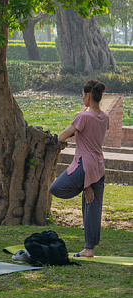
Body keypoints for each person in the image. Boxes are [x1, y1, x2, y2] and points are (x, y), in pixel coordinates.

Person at [50, 80, 109, 258]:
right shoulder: (104, 117)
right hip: (99, 166)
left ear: (88, 96)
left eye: (83, 95)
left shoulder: (83, 117)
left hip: (85, 165)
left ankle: (85, 186)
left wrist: (85, 185)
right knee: (93, 207)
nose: (82, 98)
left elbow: (61, 136)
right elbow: (91, 131)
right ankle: (89, 248)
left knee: (55, 188)